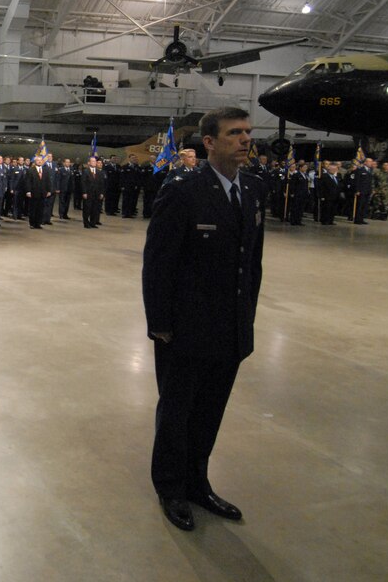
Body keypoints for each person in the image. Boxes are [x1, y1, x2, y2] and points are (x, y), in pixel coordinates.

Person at [142, 106, 266, 532]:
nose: (246, 139)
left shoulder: (251, 189)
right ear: (209, 143)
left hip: (229, 329)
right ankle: (171, 488)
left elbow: (252, 264)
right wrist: (159, 323)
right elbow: (159, 263)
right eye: (235, 133)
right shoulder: (183, 190)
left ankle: (198, 483)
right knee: (177, 413)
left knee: (210, 412)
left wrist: (245, 317)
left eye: (248, 132)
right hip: (185, 329)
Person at [23, 155, 51, 229]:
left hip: (42, 193)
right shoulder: (31, 170)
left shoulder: (45, 170)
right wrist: (28, 191)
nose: (39, 161)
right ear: (35, 161)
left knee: (40, 209)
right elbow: (28, 181)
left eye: (40, 160)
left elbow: (48, 181)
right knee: (33, 209)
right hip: (33, 192)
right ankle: (32, 223)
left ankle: (38, 223)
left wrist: (48, 190)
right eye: (38, 160)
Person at [81, 155, 104, 228]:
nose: (94, 163)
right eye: (93, 161)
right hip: (88, 193)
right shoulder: (86, 171)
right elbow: (83, 182)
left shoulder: (99, 172)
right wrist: (84, 192)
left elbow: (101, 183)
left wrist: (101, 193)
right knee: (87, 209)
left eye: (95, 161)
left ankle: (93, 223)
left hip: (96, 194)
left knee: (95, 209)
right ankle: (86, 223)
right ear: (89, 162)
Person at [351, 157, 374, 224]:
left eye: (371, 162)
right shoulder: (360, 170)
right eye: (369, 162)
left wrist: (371, 190)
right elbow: (357, 181)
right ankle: (357, 219)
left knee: (365, 206)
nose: (371, 163)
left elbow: (370, 182)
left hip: (367, 191)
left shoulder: (370, 170)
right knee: (359, 206)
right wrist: (357, 190)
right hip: (361, 191)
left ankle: (361, 219)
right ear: (365, 162)